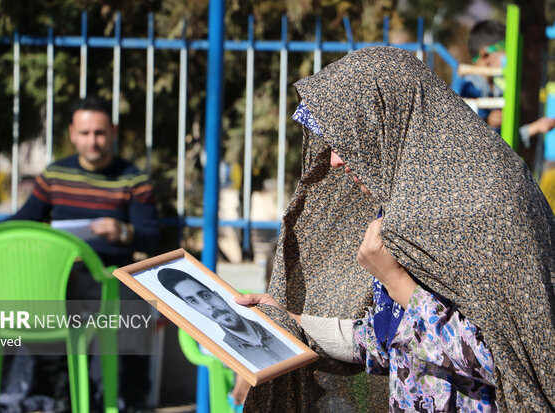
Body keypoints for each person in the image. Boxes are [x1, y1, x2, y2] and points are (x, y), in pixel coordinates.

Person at [236, 47, 555, 412]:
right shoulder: (407, 208)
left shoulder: (481, 204)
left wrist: (397, 282)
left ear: (386, 121)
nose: (335, 159)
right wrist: (290, 322)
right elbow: (391, 338)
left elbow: (516, 365)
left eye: (345, 138)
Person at [0, 95, 160, 411]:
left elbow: (153, 238)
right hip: (58, 276)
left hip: (109, 275)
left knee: (136, 308)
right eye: (85, 133)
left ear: (113, 132)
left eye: (100, 133)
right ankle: (68, 394)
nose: (93, 141)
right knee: (32, 305)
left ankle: (132, 400)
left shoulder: (134, 179)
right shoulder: (55, 174)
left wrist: (122, 231)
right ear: (72, 134)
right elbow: (25, 218)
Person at [157, 268, 297, 371]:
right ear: (192, 308)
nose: (209, 307)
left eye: (205, 296)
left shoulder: (272, 323)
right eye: (194, 301)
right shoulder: (218, 348)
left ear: (218, 295)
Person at [459, 20, 555, 148]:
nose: (508, 57)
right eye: (504, 51)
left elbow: (506, 142)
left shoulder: (499, 91)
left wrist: (537, 127)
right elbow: (460, 131)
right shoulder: (467, 87)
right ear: (485, 55)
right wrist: (487, 122)